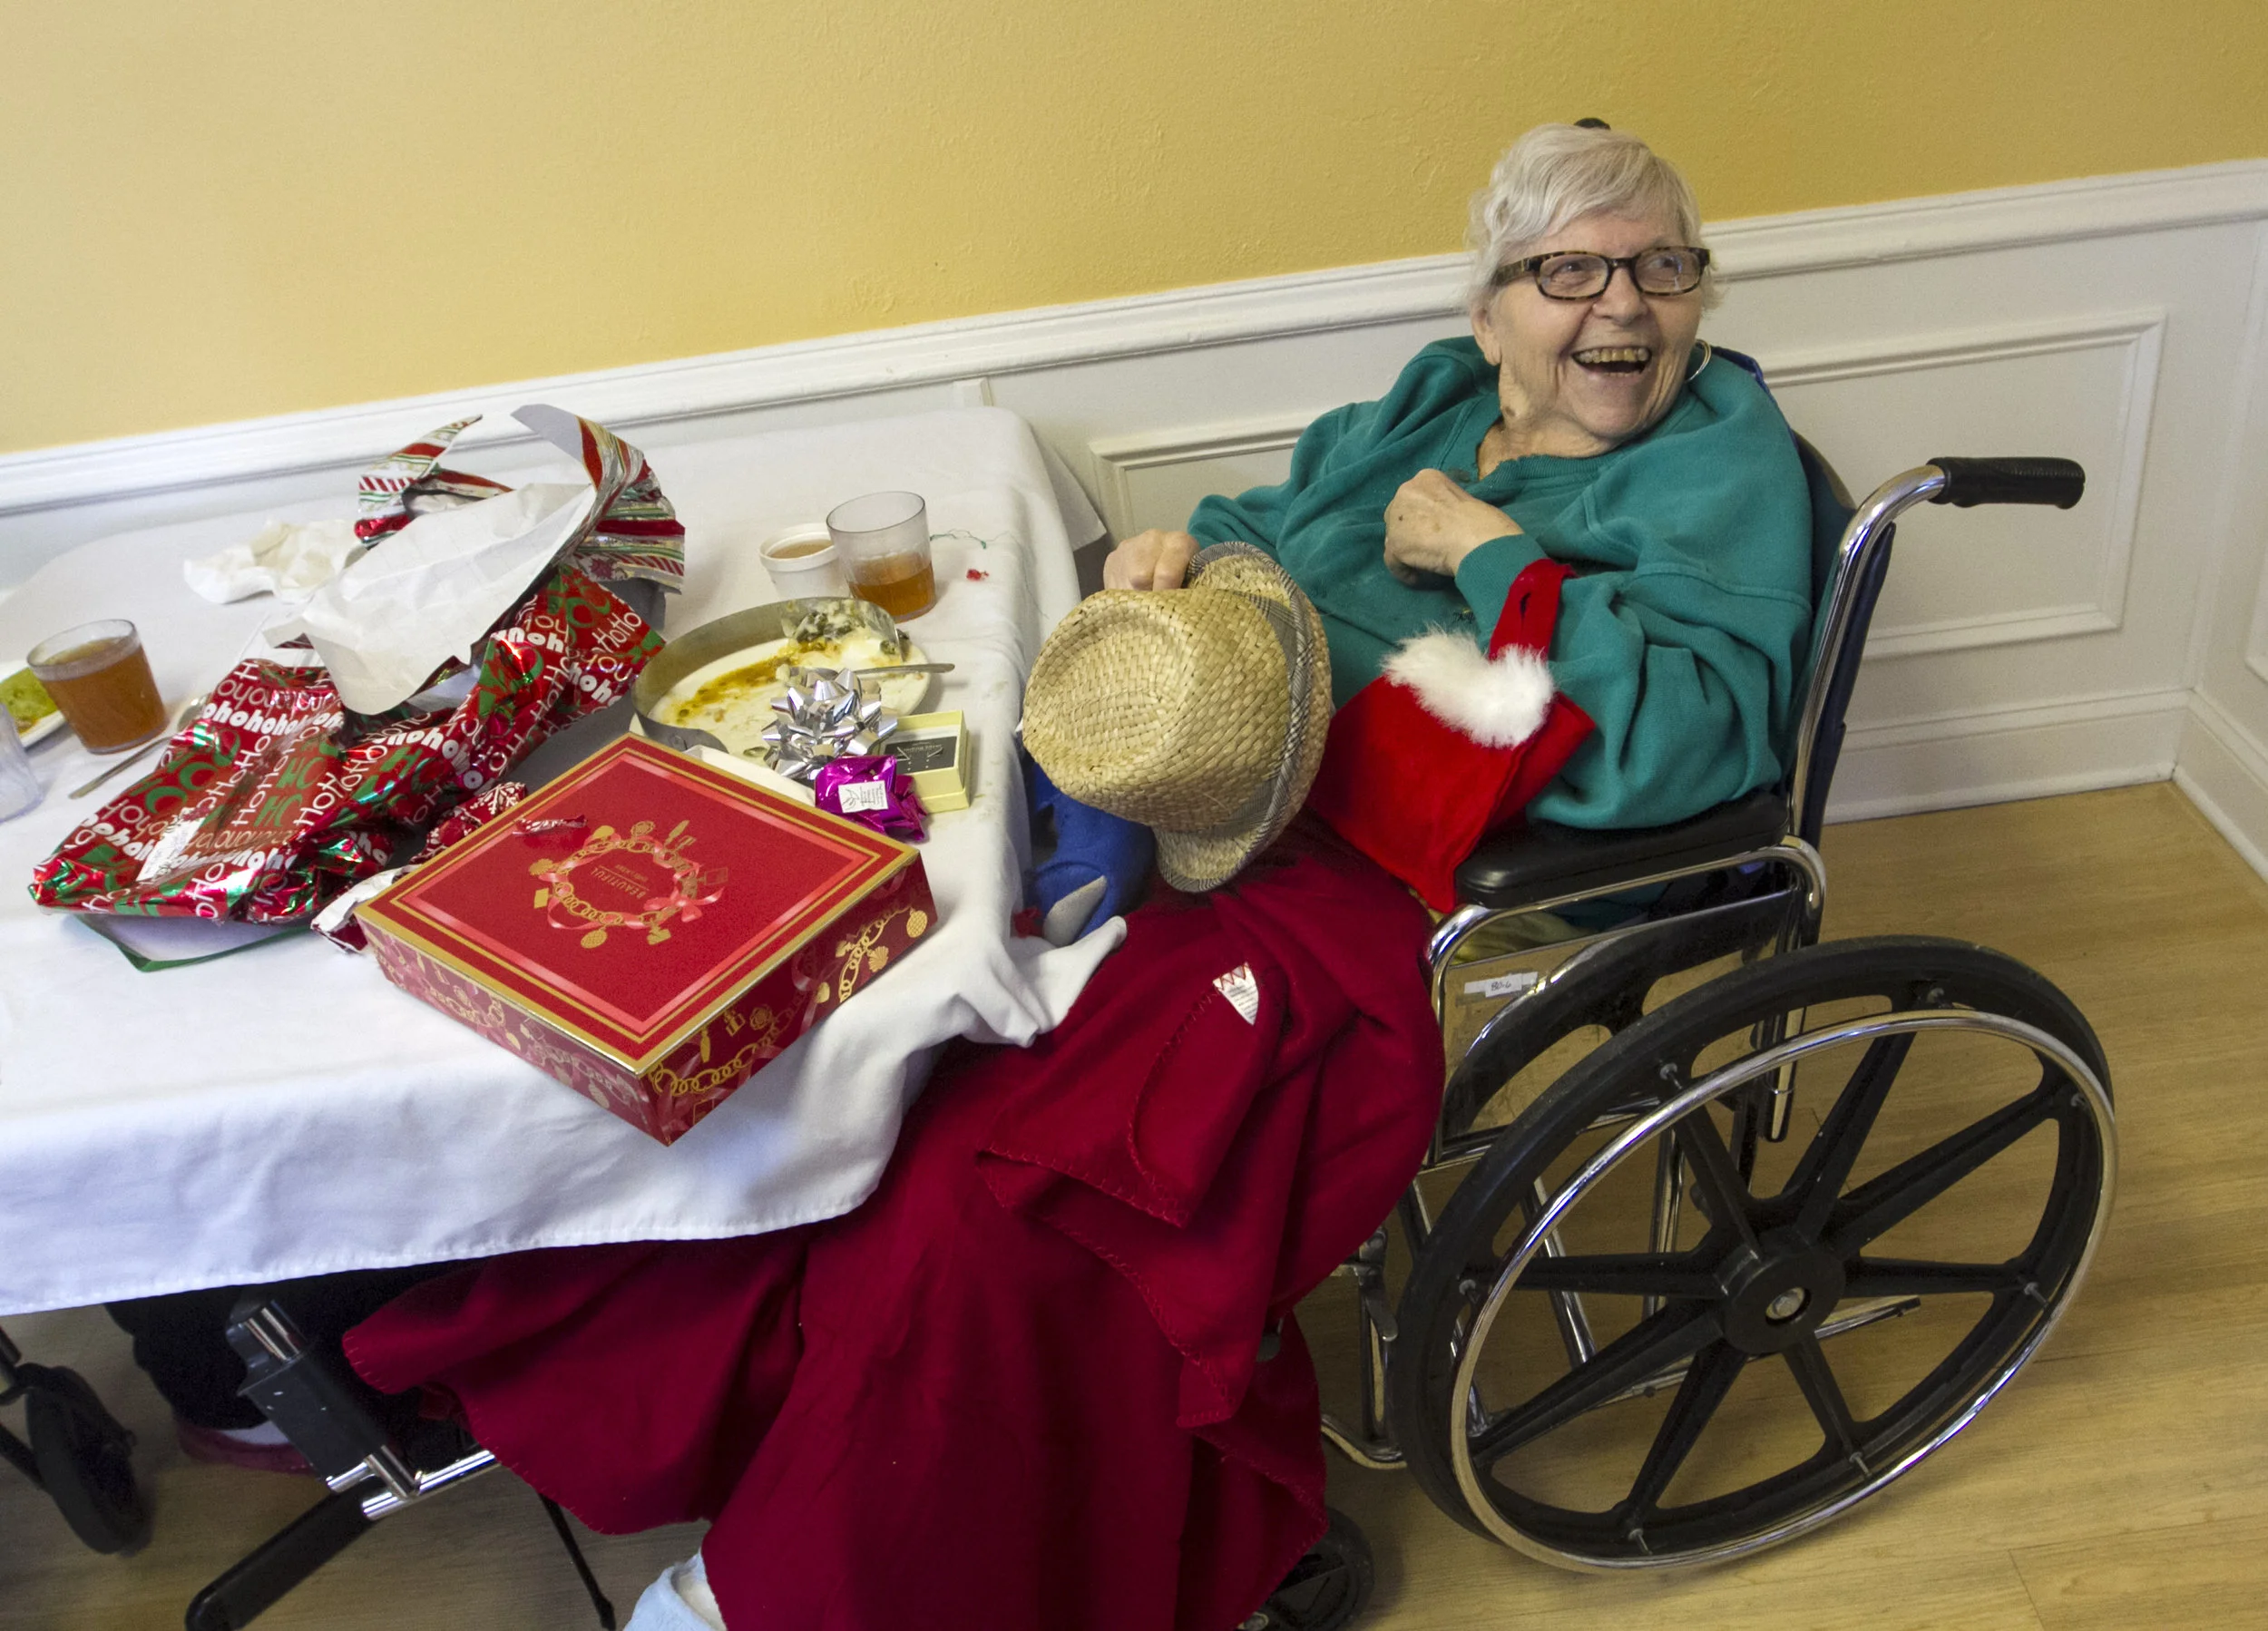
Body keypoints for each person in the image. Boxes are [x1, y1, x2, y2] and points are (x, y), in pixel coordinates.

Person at [343, 122, 1813, 1631]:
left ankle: (789, 1585)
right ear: (1491, 311)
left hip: (1398, 882)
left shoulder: (1720, 461)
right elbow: (1269, 525)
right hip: (1221, 798)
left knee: (1031, 1185)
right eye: (1571, 273)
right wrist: (1178, 558)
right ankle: (777, 1423)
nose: (1623, 305)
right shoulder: (1442, 398)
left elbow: (1690, 747)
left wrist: (1497, 553)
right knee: (887, 1039)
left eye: (1662, 267)